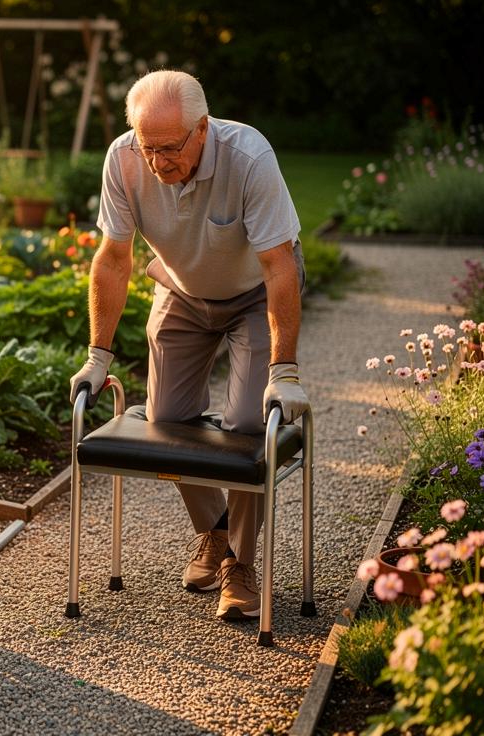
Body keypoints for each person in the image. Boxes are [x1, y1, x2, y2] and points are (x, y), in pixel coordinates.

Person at [69, 70, 309, 621]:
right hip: (182, 288)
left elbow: (278, 267)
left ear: (203, 129)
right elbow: (113, 258)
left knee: (250, 421)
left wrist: (286, 370)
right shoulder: (124, 158)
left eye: (169, 148)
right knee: (166, 422)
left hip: (253, 291)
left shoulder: (248, 156)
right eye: (147, 147)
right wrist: (97, 357)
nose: (157, 162)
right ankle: (219, 531)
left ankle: (239, 566)